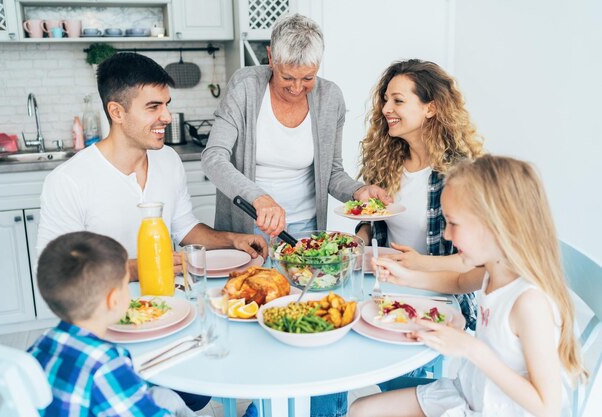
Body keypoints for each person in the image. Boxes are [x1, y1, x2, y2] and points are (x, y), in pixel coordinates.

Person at [350, 155, 587, 417]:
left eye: (453, 223)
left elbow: (547, 407)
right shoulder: (496, 268)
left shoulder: (529, 302)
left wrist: (471, 349)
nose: (446, 235)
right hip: (468, 395)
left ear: (496, 226)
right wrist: (405, 276)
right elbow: (459, 281)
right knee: (361, 409)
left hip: (497, 409)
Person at [36, 52, 268, 282]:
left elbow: (185, 228)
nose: (166, 116)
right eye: (153, 107)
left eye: (166, 105)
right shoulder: (68, 180)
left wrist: (233, 240)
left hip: (171, 300)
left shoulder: (168, 159)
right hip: (106, 310)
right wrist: (142, 268)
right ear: (117, 112)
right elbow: (55, 268)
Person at [201, 13, 390, 240]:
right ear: (271, 57)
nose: (297, 87)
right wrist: (259, 198)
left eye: (308, 78)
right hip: (249, 222)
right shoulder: (245, 87)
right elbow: (213, 158)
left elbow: (332, 172)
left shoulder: (330, 98)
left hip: (306, 227)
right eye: (288, 77)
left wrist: (358, 191)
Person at [355, 59, 484, 329]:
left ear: (431, 108)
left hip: (440, 298)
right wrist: (360, 238)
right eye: (385, 99)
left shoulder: (459, 174)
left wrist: (419, 263)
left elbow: (475, 262)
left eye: (398, 101)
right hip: (389, 288)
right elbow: (376, 220)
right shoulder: (386, 161)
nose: (386, 108)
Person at [28, 231, 211, 417]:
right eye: (125, 285)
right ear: (113, 299)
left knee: (166, 397)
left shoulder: (40, 345)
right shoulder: (105, 364)